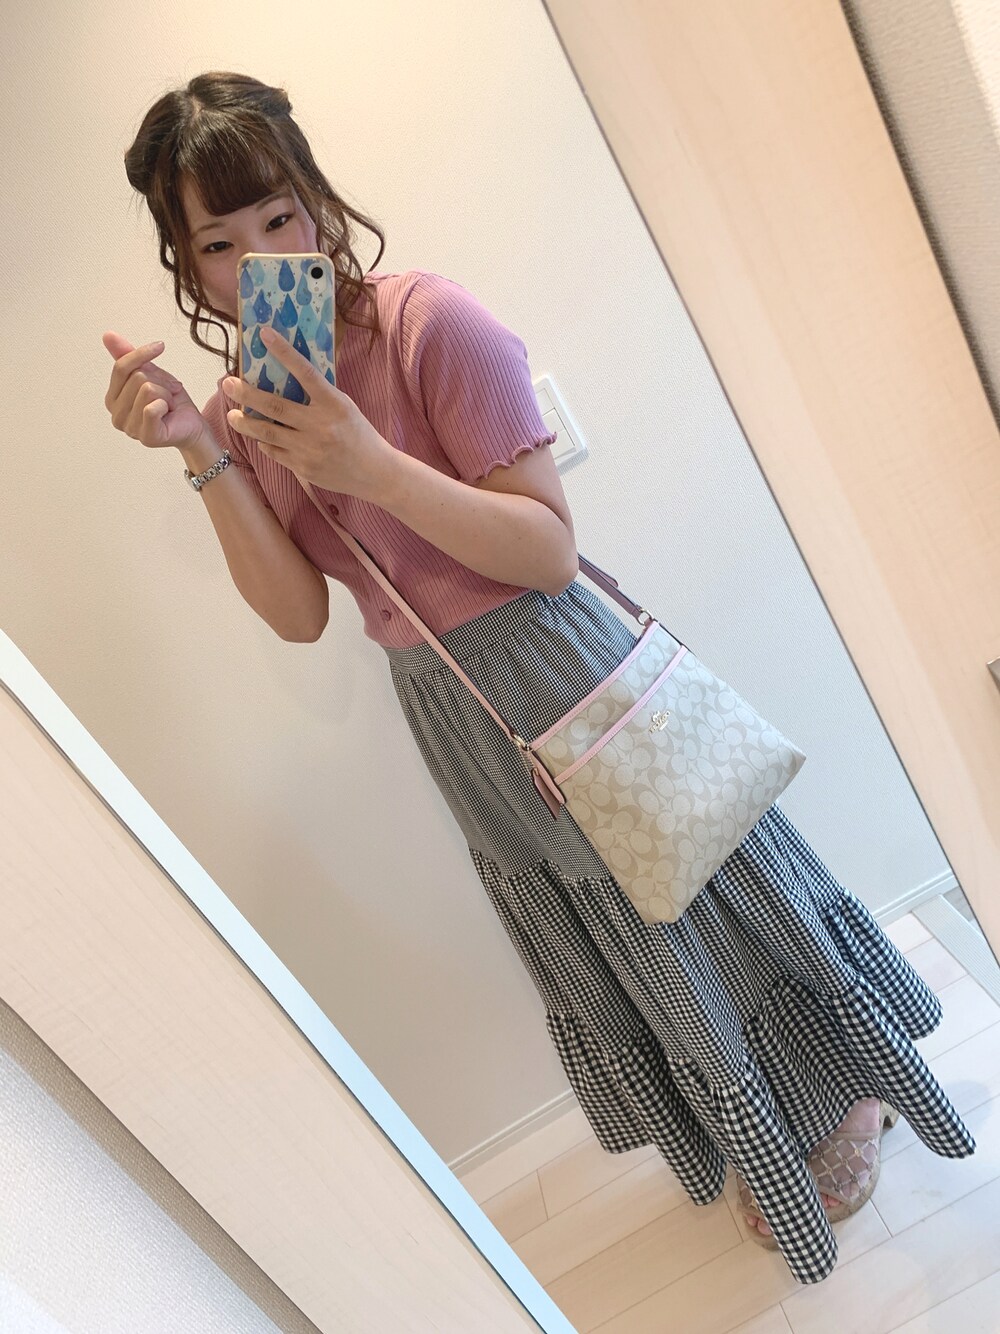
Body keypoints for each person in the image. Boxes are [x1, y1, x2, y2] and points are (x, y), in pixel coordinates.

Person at [102, 71, 976, 1285]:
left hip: (554, 659)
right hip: (451, 710)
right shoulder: (246, 410)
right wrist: (204, 449)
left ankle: (842, 1094)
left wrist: (371, 463)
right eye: (219, 242)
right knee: (621, 935)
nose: (261, 260)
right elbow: (300, 615)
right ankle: (755, 1116)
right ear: (188, 266)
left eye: (279, 217)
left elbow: (546, 549)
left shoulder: (429, 326)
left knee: (700, 888)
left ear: (317, 202)